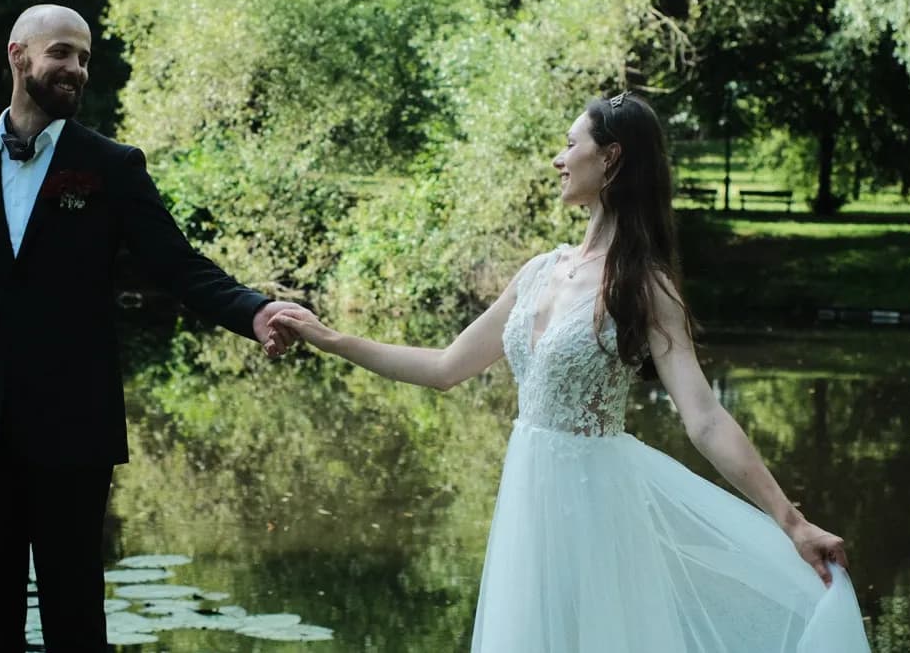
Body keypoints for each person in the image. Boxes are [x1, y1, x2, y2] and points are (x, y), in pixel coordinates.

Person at [270, 93, 872, 652]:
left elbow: (705, 417)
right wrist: (331, 338)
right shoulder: (539, 271)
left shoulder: (644, 284)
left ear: (610, 158)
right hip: (527, 506)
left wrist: (790, 522)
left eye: (570, 145)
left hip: (597, 509)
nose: (559, 160)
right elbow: (445, 367)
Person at [0, 4, 299, 652]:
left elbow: (177, 263)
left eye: (84, 57)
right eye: (61, 52)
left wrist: (251, 310)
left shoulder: (111, 165)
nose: (75, 69)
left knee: (77, 623)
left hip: (73, 435)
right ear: (18, 54)